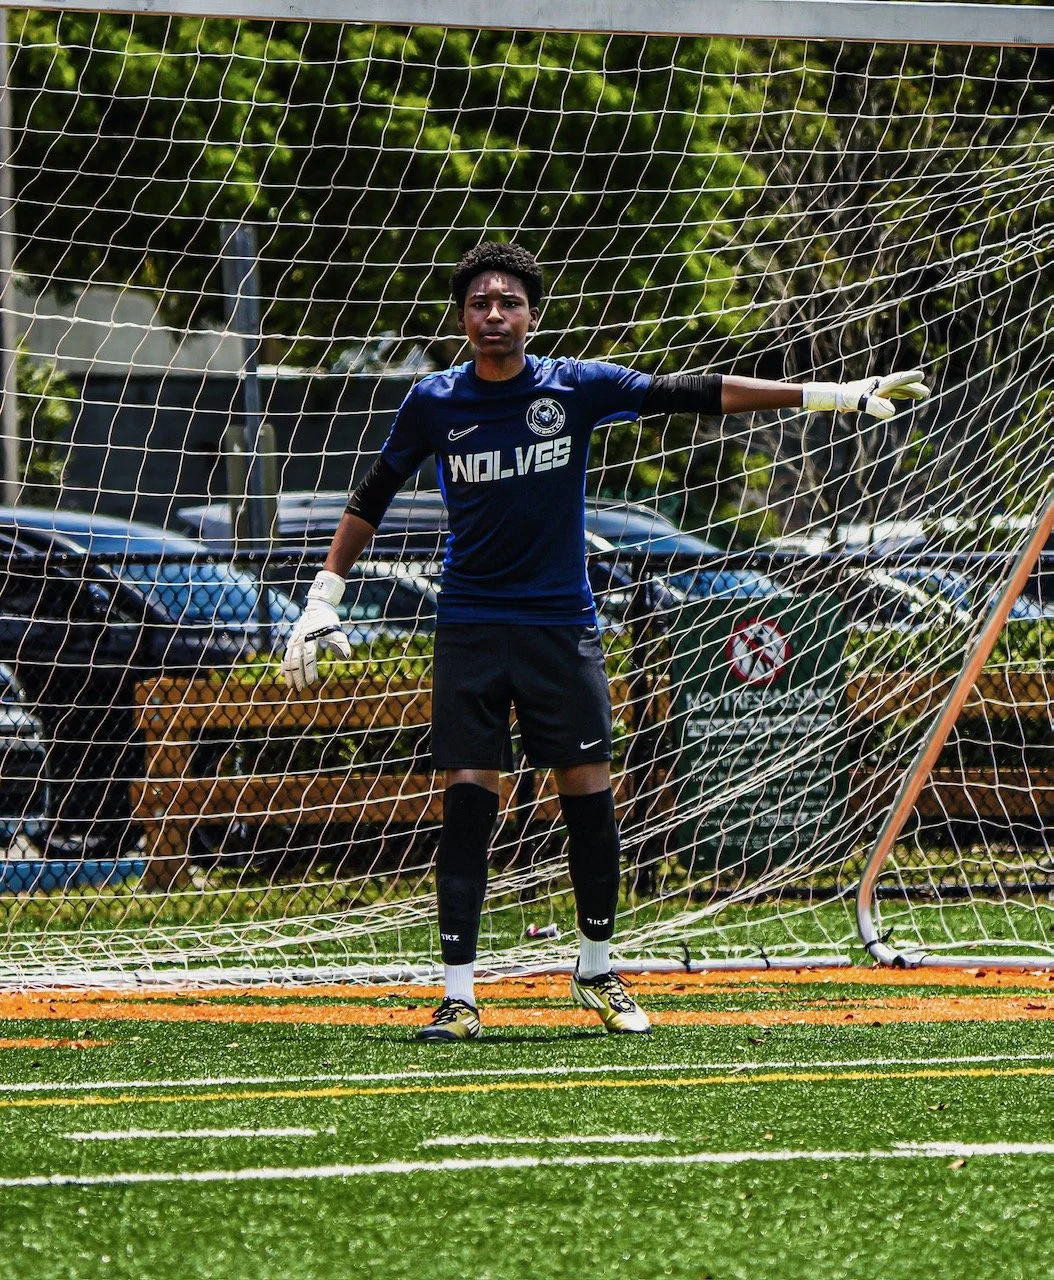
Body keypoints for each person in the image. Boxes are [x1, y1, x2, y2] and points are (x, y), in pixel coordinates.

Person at [281, 241, 929, 1041]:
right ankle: (458, 994)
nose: (494, 314)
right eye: (480, 302)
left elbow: (692, 393)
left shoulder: (574, 386)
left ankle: (595, 966)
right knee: (467, 807)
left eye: (508, 302)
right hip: (472, 628)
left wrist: (830, 394)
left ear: (533, 315)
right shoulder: (432, 401)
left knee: (588, 800)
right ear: (462, 316)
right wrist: (321, 600)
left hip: (563, 626)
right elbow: (371, 495)